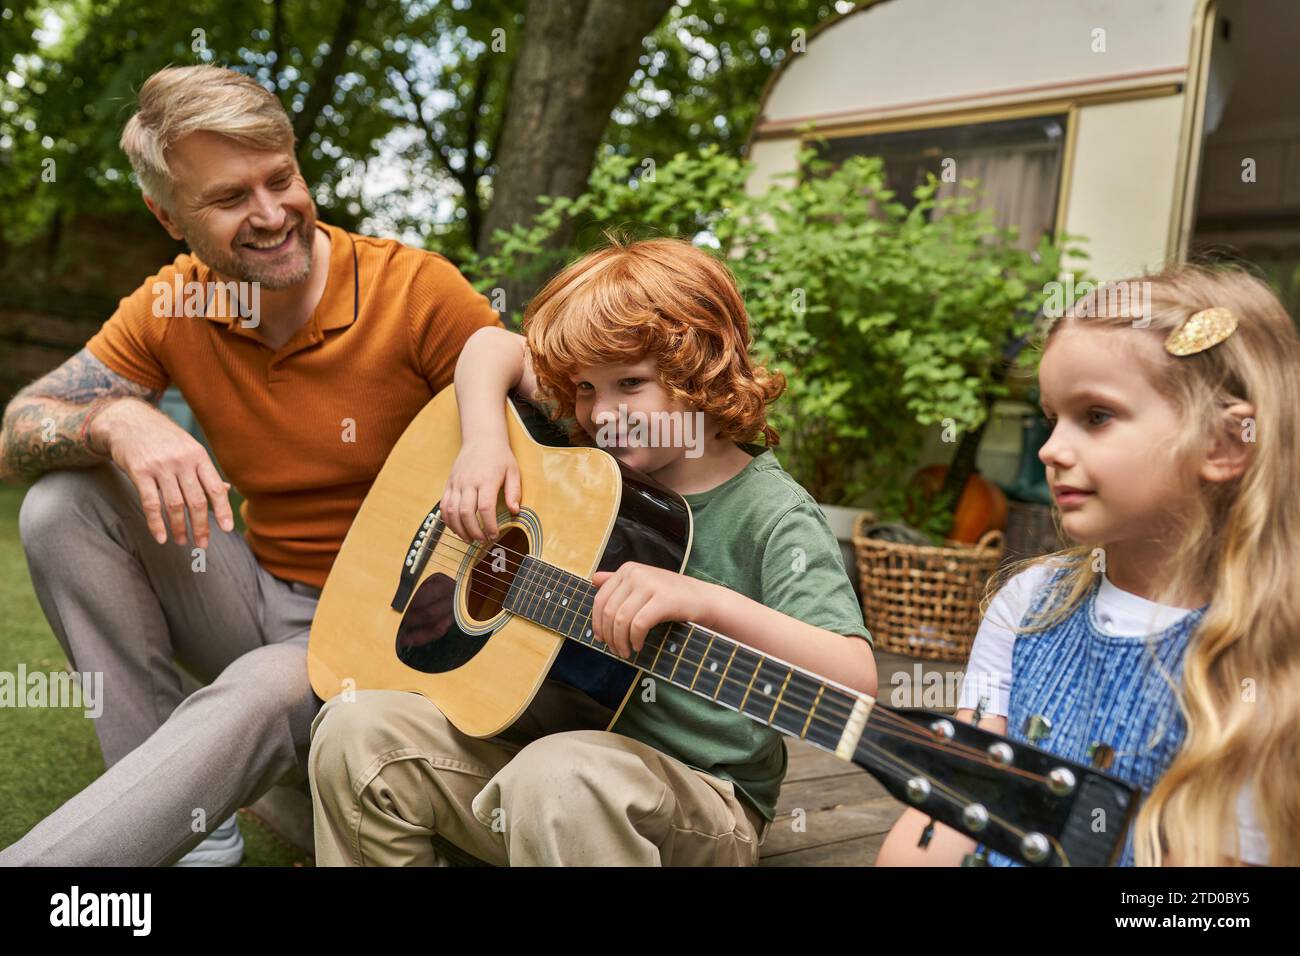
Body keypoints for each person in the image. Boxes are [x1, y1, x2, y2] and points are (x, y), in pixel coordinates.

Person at [0, 65, 501, 866]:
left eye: (282, 179)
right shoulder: (173, 304)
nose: (273, 215)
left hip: (392, 633)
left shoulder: (414, 292)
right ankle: (193, 827)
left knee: (260, 693)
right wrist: (116, 418)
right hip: (256, 597)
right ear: (166, 216)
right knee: (61, 505)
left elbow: (545, 434)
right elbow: (19, 430)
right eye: (230, 199)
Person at [308, 236, 878, 865]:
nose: (602, 414)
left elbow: (854, 680)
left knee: (558, 774)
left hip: (699, 801)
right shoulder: (599, 457)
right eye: (583, 388)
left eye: (630, 383)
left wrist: (705, 600)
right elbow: (489, 347)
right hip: (547, 761)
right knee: (355, 729)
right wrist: (483, 440)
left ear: (703, 371)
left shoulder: (772, 515)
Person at [877, 265, 1300, 867]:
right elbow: (949, 806)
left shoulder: (1271, 659)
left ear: (1224, 445)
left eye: (1095, 416)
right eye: (1052, 417)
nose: (1050, 449)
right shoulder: (1027, 604)